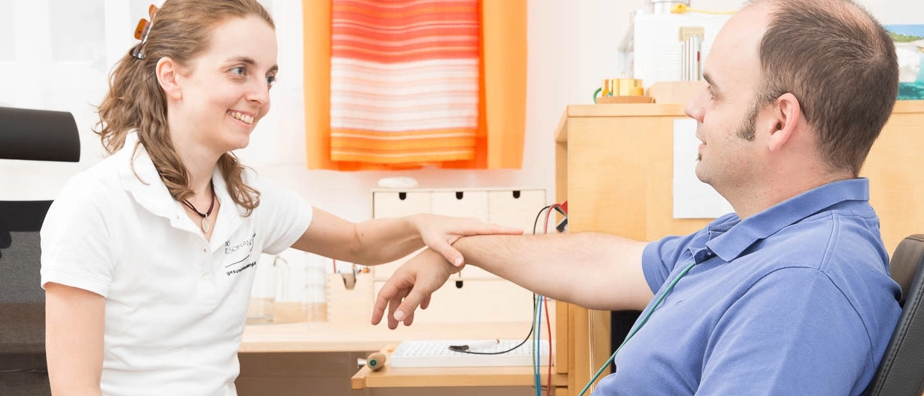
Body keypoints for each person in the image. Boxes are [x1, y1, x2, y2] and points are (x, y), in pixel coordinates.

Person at [372, 0, 902, 394]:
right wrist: (459, 246)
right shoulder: (756, 239)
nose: (692, 107)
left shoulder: (802, 285)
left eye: (713, 91)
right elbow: (603, 264)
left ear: (778, 120)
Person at [39, 1, 521, 395]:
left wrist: (422, 223)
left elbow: (355, 242)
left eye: (268, 77)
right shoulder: (94, 205)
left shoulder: (246, 196)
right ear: (172, 77)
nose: (261, 95)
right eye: (238, 71)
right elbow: (75, 390)